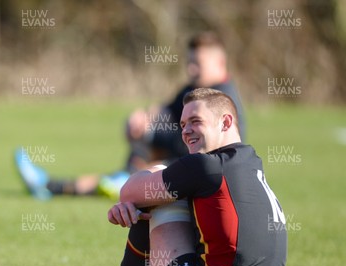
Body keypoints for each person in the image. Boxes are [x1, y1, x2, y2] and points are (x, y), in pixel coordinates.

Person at [0, 88, 287, 266]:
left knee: (155, 176)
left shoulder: (206, 165)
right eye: (182, 125)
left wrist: (135, 202)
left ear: (226, 122)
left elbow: (129, 189)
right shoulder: (251, 165)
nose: (186, 132)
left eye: (196, 122)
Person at [16, 32, 247, 200]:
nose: (191, 70)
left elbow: (203, 148)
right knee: (130, 170)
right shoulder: (194, 89)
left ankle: (52, 185)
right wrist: (144, 118)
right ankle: (57, 185)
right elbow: (167, 110)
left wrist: (152, 134)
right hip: (174, 162)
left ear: (220, 63)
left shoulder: (221, 99)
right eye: (189, 63)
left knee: (131, 180)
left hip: (197, 174)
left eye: (197, 64)